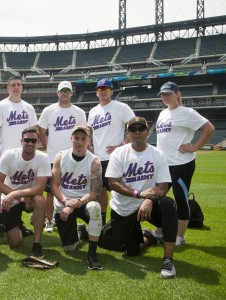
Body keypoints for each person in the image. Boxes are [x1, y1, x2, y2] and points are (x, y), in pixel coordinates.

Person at [105, 116, 178, 279]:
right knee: (130, 251)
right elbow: (113, 183)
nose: (137, 132)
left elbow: (164, 184)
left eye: (141, 129)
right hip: (124, 207)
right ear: (128, 133)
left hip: (148, 204)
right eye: (133, 129)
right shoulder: (119, 153)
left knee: (168, 204)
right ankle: (149, 237)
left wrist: (149, 199)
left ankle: (168, 260)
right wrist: (139, 194)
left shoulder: (157, 154)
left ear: (147, 132)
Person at [154, 82, 215, 246]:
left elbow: (209, 128)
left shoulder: (187, 113)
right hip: (163, 165)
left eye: (168, 93)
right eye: (162, 94)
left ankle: (179, 236)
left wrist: (195, 146)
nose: (165, 97)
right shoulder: (162, 113)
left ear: (177, 94)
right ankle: (160, 229)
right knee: (157, 197)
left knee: (181, 198)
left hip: (181, 163)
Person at [0, 76, 38, 237]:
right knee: (3, 189)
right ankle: (3, 222)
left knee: (22, 188)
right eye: (13, 85)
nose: (16, 87)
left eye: (18, 85)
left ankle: (17, 222)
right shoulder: (1, 106)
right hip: (6, 155)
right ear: (7, 88)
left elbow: (34, 131)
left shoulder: (28, 107)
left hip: (26, 155)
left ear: (22, 88)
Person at [50, 125, 103, 270]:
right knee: (69, 248)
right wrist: (66, 201)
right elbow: (54, 185)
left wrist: (73, 205)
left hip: (84, 202)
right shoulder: (60, 156)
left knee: (95, 207)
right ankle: (81, 232)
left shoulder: (94, 162)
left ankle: (92, 254)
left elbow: (94, 193)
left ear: (89, 140)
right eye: (76, 138)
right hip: (64, 202)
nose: (79, 142)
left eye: (83, 138)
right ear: (71, 139)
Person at [0, 127, 51, 258]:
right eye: (27, 140)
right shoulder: (9, 155)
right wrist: (16, 196)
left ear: (38, 143)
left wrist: (15, 194)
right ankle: (18, 225)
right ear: (21, 141)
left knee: (40, 200)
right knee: (15, 243)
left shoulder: (43, 158)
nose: (30, 143)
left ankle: (37, 244)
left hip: (27, 198)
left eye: (33, 140)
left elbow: (40, 188)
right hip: (11, 201)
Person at [38, 81, 87, 233]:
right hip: (53, 157)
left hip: (74, 157)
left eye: (68, 91)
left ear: (72, 93)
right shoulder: (49, 110)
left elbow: (83, 133)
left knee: (73, 187)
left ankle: (74, 216)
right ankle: (49, 220)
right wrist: (47, 147)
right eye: (62, 91)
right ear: (57, 93)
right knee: (51, 191)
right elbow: (41, 130)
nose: (65, 93)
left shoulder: (79, 111)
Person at [87, 78, 135, 225]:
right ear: (96, 92)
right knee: (99, 191)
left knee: (118, 189)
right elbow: (90, 132)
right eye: (100, 89)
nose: (103, 92)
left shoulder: (121, 107)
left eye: (106, 89)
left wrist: (122, 145)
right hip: (98, 158)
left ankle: (120, 219)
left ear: (111, 92)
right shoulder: (93, 111)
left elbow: (135, 126)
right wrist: (90, 147)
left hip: (116, 157)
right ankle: (101, 220)